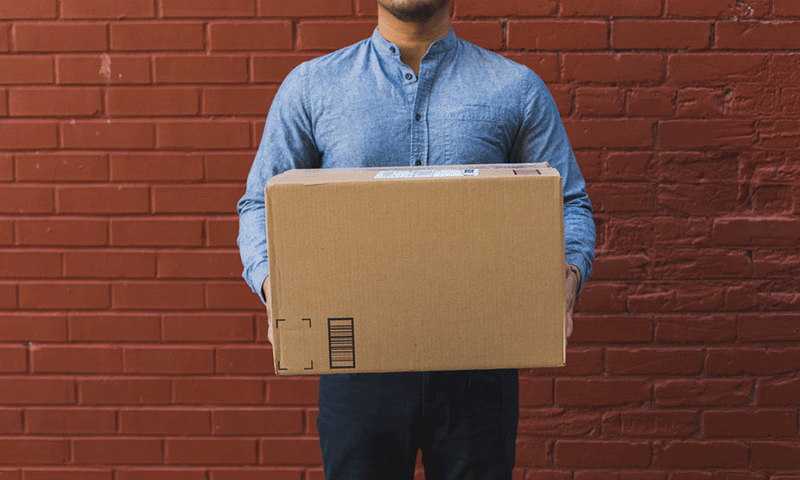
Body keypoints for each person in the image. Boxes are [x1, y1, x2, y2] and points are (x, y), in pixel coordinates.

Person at [237, 0, 595, 478]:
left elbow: (569, 203)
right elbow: (260, 203)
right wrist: (274, 284)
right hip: (356, 364)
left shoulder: (514, 87)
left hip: (479, 358)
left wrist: (568, 273)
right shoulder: (313, 85)